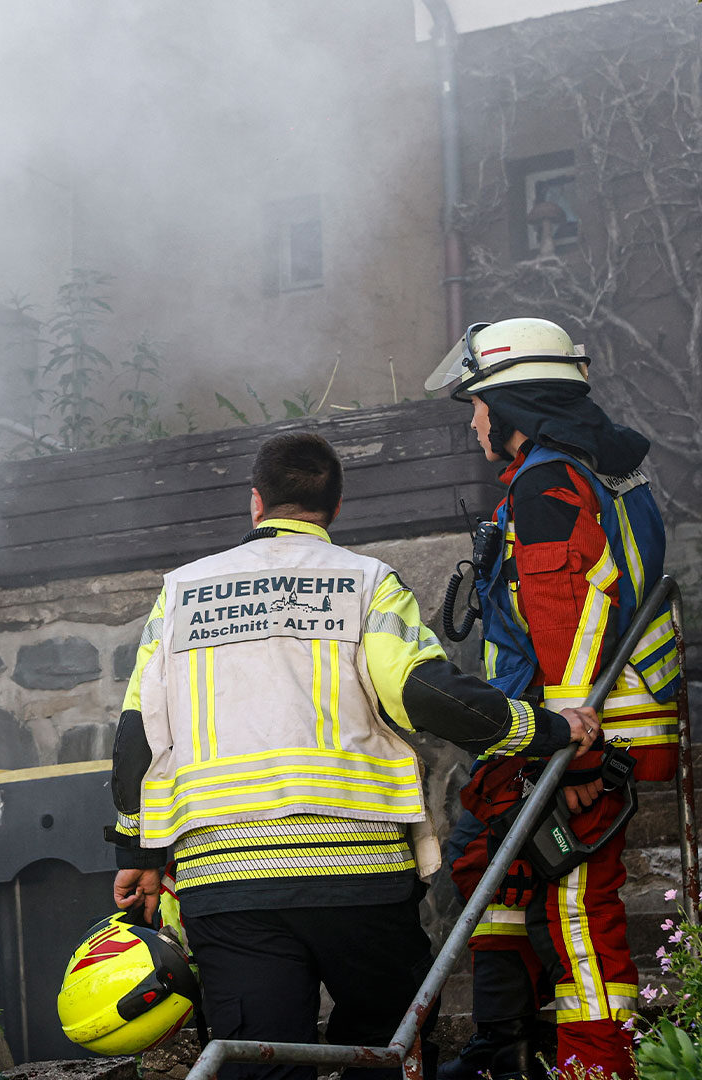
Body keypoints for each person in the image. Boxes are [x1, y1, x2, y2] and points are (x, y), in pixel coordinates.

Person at [107, 431, 598, 1080]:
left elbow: (136, 738)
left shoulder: (179, 595)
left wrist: (137, 855)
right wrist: (547, 730)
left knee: (260, 1064)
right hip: (359, 876)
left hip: (225, 884)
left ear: (255, 504)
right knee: (380, 1052)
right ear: (337, 508)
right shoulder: (365, 583)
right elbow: (422, 693)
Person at [424, 318, 680, 1080]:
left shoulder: (548, 483)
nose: (473, 421)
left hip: (579, 729)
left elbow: (569, 618)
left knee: (577, 908)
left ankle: (596, 1065)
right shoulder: (594, 469)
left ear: (510, 403)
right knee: (484, 855)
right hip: (558, 724)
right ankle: (503, 1040)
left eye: (476, 404)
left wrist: (573, 756)